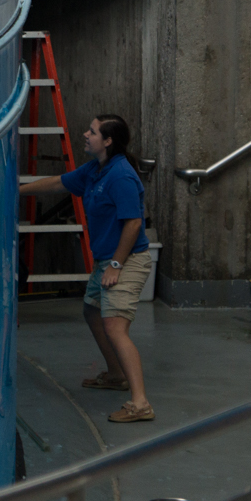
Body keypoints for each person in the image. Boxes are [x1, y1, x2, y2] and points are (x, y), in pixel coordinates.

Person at [20, 115, 154, 423]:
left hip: (126, 260)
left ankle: (141, 403)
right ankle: (116, 375)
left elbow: (133, 223)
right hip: (106, 259)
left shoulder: (120, 175)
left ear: (107, 141)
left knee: (115, 328)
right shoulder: (95, 170)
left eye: (92, 132)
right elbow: (58, 182)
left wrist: (117, 266)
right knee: (92, 312)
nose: (85, 134)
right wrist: (16, 190)